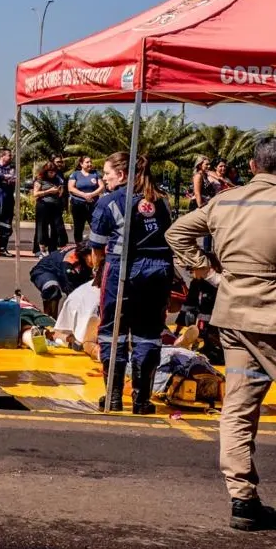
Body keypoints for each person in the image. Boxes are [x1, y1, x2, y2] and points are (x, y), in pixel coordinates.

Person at [165, 135, 276, 532]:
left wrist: (209, 274)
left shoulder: (226, 201)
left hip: (233, 316)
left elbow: (177, 233)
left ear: (251, 167)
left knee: (239, 409)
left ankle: (242, 499)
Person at [88, 152, 174, 415]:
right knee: (148, 335)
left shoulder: (109, 202)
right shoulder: (162, 201)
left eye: (107, 173)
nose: (103, 178)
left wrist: (96, 270)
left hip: (121, 268)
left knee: (112, 333)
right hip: (159, 270)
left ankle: (113, 397)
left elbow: (97, 248)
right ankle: (141, 400)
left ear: (122, 175)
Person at [29, 242, 93, 320]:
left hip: (62, 270)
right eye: (94, 255)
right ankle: (49, 322)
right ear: (85, 255)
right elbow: (73, 293)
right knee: (53, 289)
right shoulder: (70, 262)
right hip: (45, 270)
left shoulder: (91, 257)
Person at [67, 156, 104, 244]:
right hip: (78, 205)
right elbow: (71, 188)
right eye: (87, 162)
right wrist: (84, 195)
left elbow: (102, 186)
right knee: (78, 227)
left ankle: (96, 247)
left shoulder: (96, 173)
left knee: (95, 226)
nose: (90, 164)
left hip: (93, 205)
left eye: (90, 162)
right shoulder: (75, 174)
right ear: (81, 164)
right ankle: (78, 247)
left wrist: (91, 195)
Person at [31, 161, 65, 256]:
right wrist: (49, 191)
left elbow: (61, 190)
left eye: (54, 172)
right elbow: (35, 194)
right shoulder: (40, 180)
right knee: (42, 227)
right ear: (46, 172)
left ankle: (53, 248)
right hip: (43, 205)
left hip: (55, 205)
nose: (52, 174)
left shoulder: (57, 179)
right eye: (50, 172)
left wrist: (59, 191)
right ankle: (41, 248)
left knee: (56, 227)